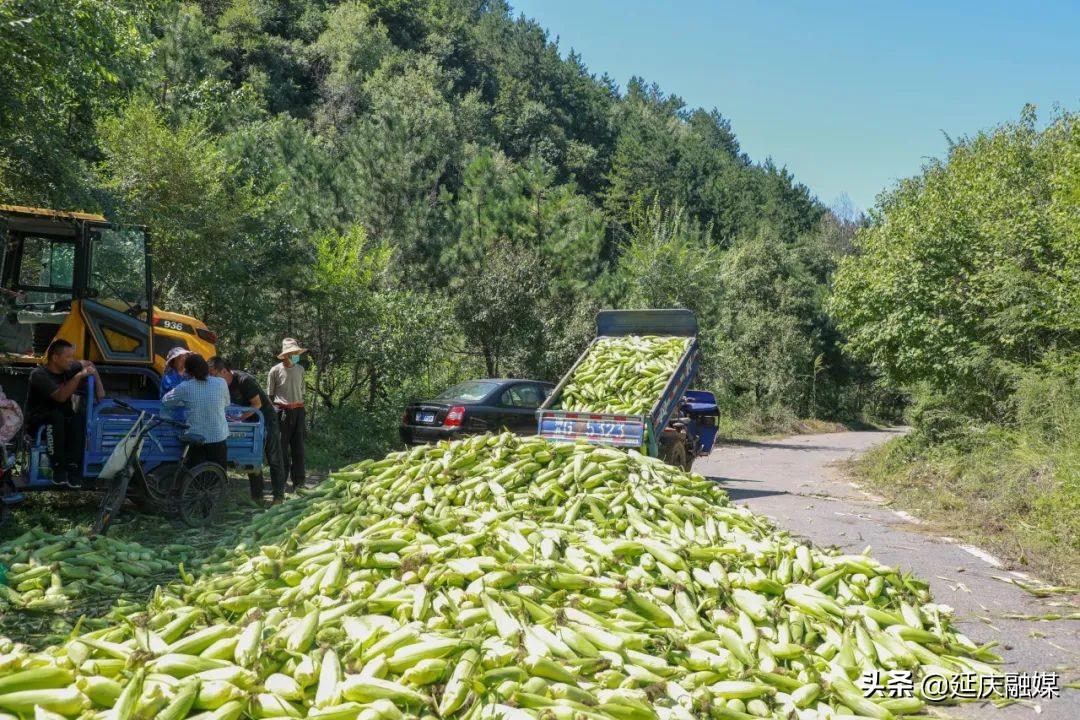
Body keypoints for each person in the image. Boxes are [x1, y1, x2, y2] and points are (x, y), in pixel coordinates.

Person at [27, 339, 105, 488]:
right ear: (55, 358)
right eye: (68, 357)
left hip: (62, 421)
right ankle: (58, 468)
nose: (72, 361)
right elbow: (61, 397)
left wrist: (99, 387)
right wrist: (77, 376)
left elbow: (89, 364)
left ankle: (74, 469)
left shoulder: (67, 367)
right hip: (40, 422)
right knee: (56, 417)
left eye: (72, 357)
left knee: (77, 419)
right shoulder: (38, 375)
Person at [209, 356, 286, 505]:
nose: (211, 378)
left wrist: (239, 418)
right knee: (253, 457)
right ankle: (257, 497)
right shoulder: (222, 385)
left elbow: (256, 405)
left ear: (224, 371)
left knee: (274, 458)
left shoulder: (244, 381)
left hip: (267, 420)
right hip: (250, 420)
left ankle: (278, 497)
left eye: (213, 374)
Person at [161, 354, 230, 470]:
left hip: (196, 439)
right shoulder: (221, 383)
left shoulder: (185, 387)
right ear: (206, 367)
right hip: (218, 437)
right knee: (218, 474)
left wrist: (183, 402)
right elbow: (226, 403)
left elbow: (165, 401)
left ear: (188, 371)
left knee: (195, 475)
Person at [267, 338, 306, 491]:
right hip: (281, 412)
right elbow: (270, 395)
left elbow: (302, 392)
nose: (294, 356)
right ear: (284, 355)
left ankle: (299, 482)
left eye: (296, 353)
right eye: (291, 353)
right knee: (281, 448)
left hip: (298, 411)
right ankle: (280, 482)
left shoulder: (300, 369)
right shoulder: (275, 370)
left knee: (299, 448)